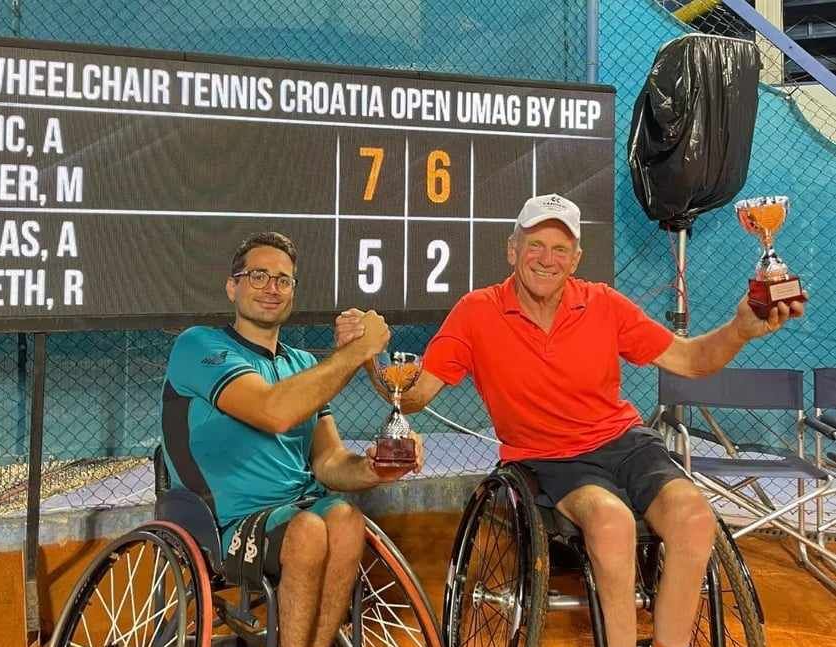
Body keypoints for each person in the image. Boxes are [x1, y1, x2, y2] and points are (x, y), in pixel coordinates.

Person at [342, 193, 806, 647]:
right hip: (549, 459)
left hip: (626, 443)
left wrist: (740, 330)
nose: (547, 259)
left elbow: (690, 360)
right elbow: (414, 395)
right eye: (535, 245)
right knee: (611, 523)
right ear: (512, 250)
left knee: (695, 517)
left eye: (560, 248)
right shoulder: (476, 312)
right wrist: (366, 355)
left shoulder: (604, 303)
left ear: (576, 258)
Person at [161, 231, 423, 647]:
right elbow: (273, 411)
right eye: (258, 276)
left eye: (283, 280)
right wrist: (356, 352)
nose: (272, 288)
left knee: (346, 519)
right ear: (232, 287)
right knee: (308, 532)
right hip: (220, 524)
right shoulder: (198, 345)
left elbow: (329, 462)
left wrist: (376, 467)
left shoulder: (301, 364)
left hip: (298, 511)